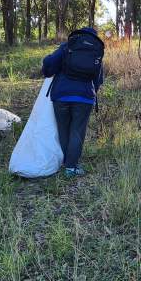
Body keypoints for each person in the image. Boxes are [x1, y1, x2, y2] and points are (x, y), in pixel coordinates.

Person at [41, 27, 105, 177]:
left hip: (61, 96)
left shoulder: (67, 46)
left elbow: (49, 66)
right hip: (84, 98)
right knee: (77, 131)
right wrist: (90, 92)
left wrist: (45, 63)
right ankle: (71, 167)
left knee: (64, 130)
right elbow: (98, 79)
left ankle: (65, 162)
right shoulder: (96, 50)